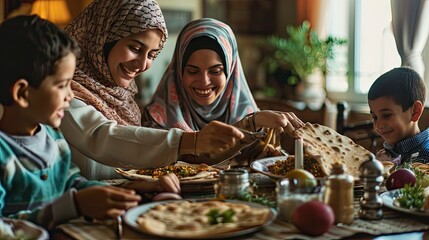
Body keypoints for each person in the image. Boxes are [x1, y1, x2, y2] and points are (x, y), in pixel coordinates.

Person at [0, 15, 181, 229]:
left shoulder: (53, 139)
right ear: (22, 93)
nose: (70, 95)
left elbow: (71, 183)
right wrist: (74, 206)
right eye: (63, 85)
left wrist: (127, 190)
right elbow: (6, 228)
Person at [59, 0, 245, 180]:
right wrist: (190, 141)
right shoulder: (62, 91)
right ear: (101, 36)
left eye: (152, 54)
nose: (142, 64)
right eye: (135, 48)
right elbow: (102, 137)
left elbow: (131, 162)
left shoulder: (123, 99)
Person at [142, 18, 304, 163]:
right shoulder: (157, 119)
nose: (204, 81)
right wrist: (248, 124)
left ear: (230, 70)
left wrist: (266, 157)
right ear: (178, 71)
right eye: (192, 71)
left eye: (215, 71)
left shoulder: (254, 119)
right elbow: (182, 162)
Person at [369, 67, 429, 165]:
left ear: (415, 111)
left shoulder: (425, 158)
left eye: (386, 115)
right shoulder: (387, 153)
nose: (378, 125)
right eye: (375, 117)